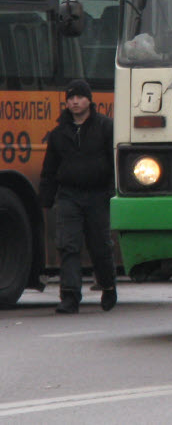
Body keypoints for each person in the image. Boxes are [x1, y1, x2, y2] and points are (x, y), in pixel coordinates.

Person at [39, 79, 117, 314]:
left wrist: (113, 191)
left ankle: (108, 286)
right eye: (71, 98)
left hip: (98, 195)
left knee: (100, 246)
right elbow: (49, 169)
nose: (75, 101)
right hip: (69, 197)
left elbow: (115, 162)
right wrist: (46, 199)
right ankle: (70, 296)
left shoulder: (106, 127)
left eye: (80, 97)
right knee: (68, 246)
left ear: (89, 100)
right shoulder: (58, 133)